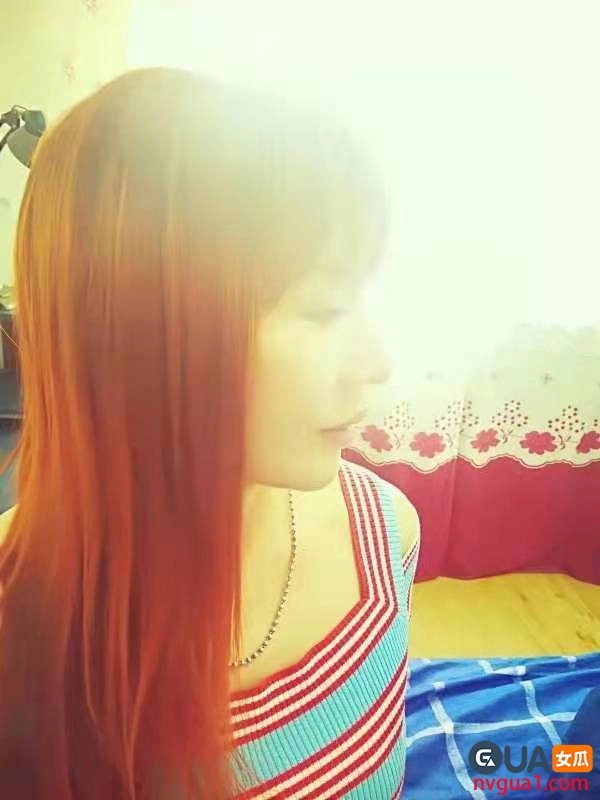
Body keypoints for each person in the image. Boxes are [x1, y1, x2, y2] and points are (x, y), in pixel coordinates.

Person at [0, 68, 420, 799]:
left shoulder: (384, 535)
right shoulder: (19, 619)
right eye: (323, 310)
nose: (378, 363)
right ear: (141, 331)